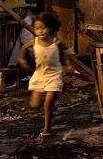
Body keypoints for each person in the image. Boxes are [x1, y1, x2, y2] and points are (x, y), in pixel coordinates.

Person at [17, 11, 73, 142]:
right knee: (35, 105)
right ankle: (52, 102)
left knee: (47, 104)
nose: (40, 31)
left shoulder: (55, 42)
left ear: (51, 28)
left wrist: (68, 65)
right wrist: (22, 60)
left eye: (43, 28)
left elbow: (65, 55)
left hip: (54, 74)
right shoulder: (34, 42)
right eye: (37, 28)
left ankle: (46, 129)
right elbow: (24, 48)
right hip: (40, 75)